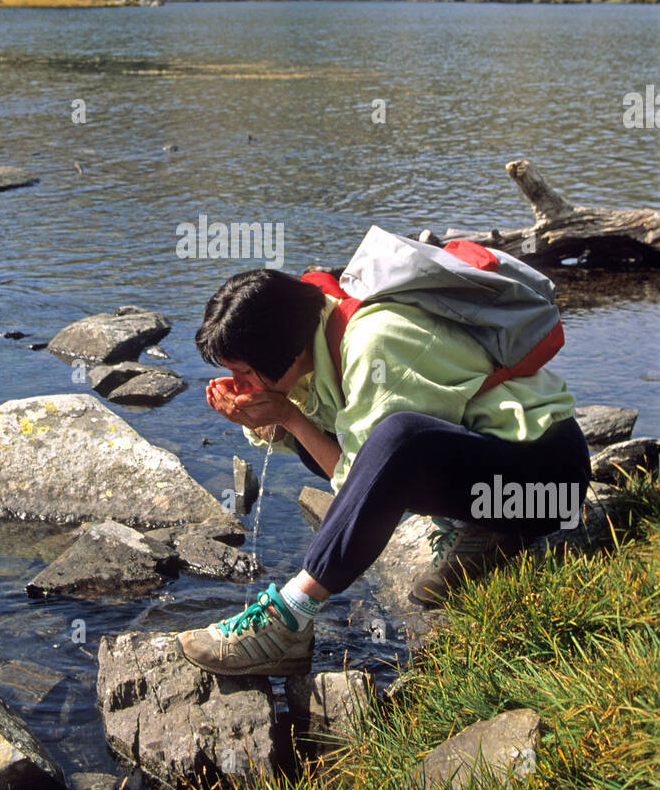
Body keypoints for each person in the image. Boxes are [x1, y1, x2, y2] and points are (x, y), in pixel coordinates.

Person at [175, 267, 592, 678]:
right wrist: (272, 419)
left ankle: (290, 617)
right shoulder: (318, 334)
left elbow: (367, 482)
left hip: (549, 485)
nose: (237, 381)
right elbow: (346, 459)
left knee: (399, 436)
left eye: (245, 371)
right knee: (325, 435)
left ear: (282, 346)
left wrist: (290, 416)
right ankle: (481, 528)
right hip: (501, 472)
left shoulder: (374, 342)